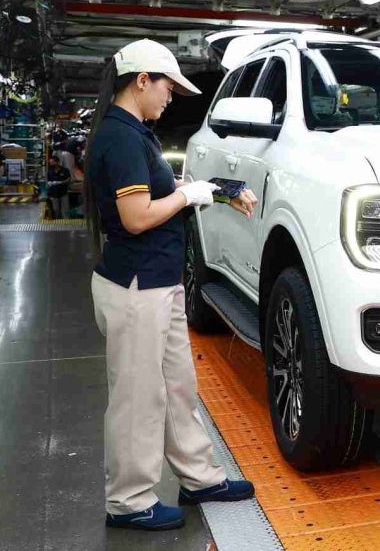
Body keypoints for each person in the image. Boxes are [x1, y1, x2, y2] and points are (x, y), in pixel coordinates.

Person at [85, 39, 259, 530]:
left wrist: (216, 191)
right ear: (142, 80)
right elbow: (137, 216)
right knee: (139, 397)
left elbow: (163, 190)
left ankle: (198, 477)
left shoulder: (136, 133)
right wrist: (189, 197)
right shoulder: (120, 137)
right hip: (136, 288)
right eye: (167, 88)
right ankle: (128, 501)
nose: (170, 98)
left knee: (178, 387)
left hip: (160, 283)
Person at [46, 152, 72, 219]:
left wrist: (61, 182)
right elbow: (48, 181)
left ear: (57, 162)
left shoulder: (65, 170)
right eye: (50, 163)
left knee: (65, 210)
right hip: (54, 194)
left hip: (63, 193)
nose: (51, 164)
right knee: (56, 210)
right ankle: (58, 223)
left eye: (52, 162)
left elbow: (69, 179)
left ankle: (66, 222)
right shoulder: (50, 171)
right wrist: (49, 185)